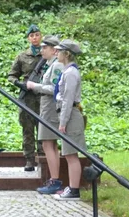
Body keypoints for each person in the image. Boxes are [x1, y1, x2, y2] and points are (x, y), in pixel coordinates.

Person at [25, 34, 65, 194]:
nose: (42, 50)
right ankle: (54, 179)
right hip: (47, 108)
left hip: (50, 109)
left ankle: (55, 180)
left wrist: (35, 86)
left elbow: (55, 89)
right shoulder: (51, 64)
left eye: (45, 47)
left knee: (48, 144)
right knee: (49, 144)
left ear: (54, 50)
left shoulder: (57, 66)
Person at [53, 39, 86, 200]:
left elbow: (68, 99)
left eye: (59, 51)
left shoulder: (71, 73)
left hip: (71, 115)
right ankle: (72, 188)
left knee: (71, 154)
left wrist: (63, 122)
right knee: (68, 153)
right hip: (68, 113)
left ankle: (74, 190)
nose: (56, 53)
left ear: (66, 54)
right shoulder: (67, 71)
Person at [8, 25, 43, 171]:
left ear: (40, 36)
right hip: (27, 98)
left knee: (43, 129)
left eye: (37, 35)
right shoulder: (22, 56)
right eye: (32, 35)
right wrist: (19, 84)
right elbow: (11, 75)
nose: (34, 38)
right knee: (27, 130)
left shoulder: (46, 55)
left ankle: (43, 159)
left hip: (43, 96)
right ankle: (29, 160)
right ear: (28, 38)